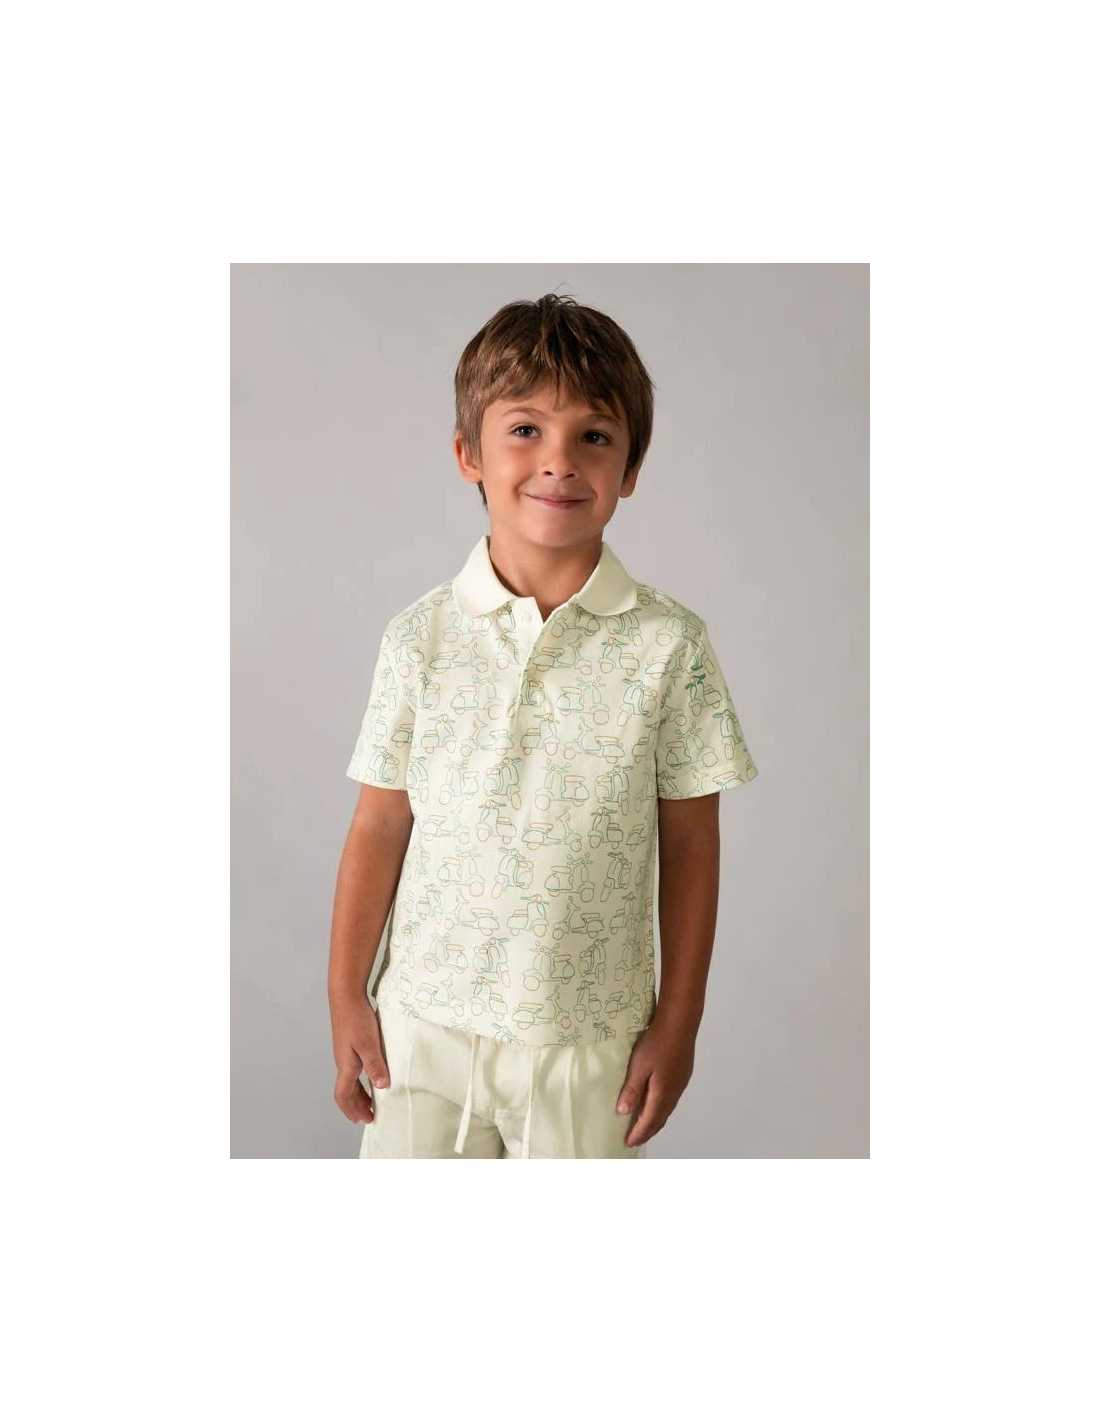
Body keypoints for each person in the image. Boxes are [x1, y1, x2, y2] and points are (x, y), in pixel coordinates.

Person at [328, 293, 759, 1158]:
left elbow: (692, 843)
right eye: (525, 430)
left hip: (587, 1042)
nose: (559, 461)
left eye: (593, 436)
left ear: (630, 469)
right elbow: (379, 823)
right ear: (469, 454)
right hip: (419, 1031)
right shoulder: (420, 637)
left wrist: (678, 1022)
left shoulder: (670, 646)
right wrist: (345, 996)